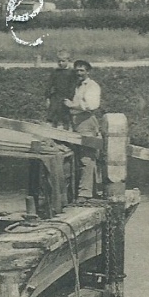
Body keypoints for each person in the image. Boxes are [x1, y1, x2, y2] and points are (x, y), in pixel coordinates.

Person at [63, 60, 102, 199]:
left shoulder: (92, 86)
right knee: (76, 157)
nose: (79, 73)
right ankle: (86, 191)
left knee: (87, 158)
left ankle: (85, 193)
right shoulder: (76, 86)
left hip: (86, 121)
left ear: (88, 71)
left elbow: (91, 105)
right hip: (75, 122)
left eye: (82, 70)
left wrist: (72, 105)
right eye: (77, 70)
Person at [45, 49, 78, 129]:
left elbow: (73, 86)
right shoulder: (55, 72)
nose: (60, 63)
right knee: (53, 116)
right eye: (59, 61)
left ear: (68, 61)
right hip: (56, 97)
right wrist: (48, 97)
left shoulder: (72, 72)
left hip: (66, 97)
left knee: (65, 117)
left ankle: (66, 134)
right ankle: (52, 134)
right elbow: (49, 85)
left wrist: (70, 98)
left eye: (63, 61)